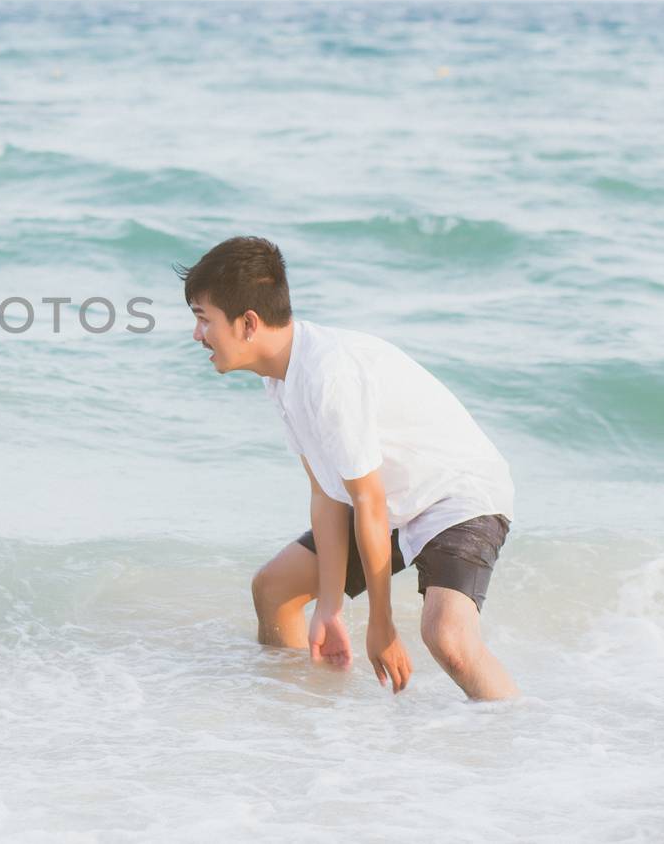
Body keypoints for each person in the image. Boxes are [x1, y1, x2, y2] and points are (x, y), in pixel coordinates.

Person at [178, 236, 518, 699]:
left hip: (455, 496)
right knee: (274, 589)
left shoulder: (328, 374)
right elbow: (326, 495)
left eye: (203, 320)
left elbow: (367, 500)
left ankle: (511, 738)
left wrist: (381, 624)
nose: (197, 335)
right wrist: (330, 609)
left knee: (448, 639)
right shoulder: (281, 378)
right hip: (391, 503)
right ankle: (299, 721)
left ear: (248, 323)